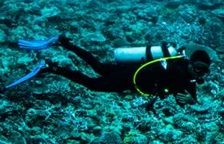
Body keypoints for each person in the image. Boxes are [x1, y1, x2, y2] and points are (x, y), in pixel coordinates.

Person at [4, 35, 211, 110]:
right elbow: (178, 89)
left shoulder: (188, 76)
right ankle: (51, 68)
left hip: (130, 70)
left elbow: (189, 94)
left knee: (98, 66)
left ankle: (64, 42)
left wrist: (192, 100)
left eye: (204, 70)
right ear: (190, 63)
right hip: (129, 79)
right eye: (198, 67)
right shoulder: (179, 71)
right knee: (93, 85)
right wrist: (189, 99)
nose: (200, 73)